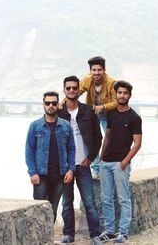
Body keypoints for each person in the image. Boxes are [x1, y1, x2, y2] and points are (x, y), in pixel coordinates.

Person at [57, 76, 102, 245]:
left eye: (74, 88)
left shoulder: (88, 111)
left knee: (90, 202)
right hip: (65, 167)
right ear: (64, 90)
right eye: (68, 88)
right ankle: (68, 235)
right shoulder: (59, 112)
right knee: (67, 203)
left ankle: (95, 235)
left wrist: (90, 158)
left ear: (78, 90)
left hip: (83, 165)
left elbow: (98, 137)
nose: (71, 91)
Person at [99, 81, 142, 243]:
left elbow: (137, 143)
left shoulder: (134, 118)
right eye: (119, 93)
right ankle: (109, 231)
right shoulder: (112, 114)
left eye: (125, 93)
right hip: (106, 163)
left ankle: (123, 232)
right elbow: (107, 136)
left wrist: (124, 162)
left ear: (129, 95)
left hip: (120, 164)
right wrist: (101, 156)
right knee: (106, 199)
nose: (122, 95)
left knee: (123, 199)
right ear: (115, 94)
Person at [25, 91, 75, 222]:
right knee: (38, 211)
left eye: (54, 103)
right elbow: (29, 150)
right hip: (40, 176)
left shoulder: (66, 126)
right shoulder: (35, 126)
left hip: (59, 176)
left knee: (52, 211)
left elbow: (71, 148)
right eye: (48, 103)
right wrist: (32, 172)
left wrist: (71, 169)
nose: (51, 105)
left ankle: (49, 240)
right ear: (43, 105)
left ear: (58, 105)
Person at [79, 56, 117, 178]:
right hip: (92, 114)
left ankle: (107, 166)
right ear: (90, 71)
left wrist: (104, 107)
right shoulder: (86, 80)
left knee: (110, 141)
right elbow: (74, 92)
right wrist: (62, 103)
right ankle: (95, 169)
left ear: (104, 70)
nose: (96, 73)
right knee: (92, 141)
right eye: (94, 70)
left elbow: (116, 102)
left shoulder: (111, 82)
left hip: (108, 114)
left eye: (99, 70)